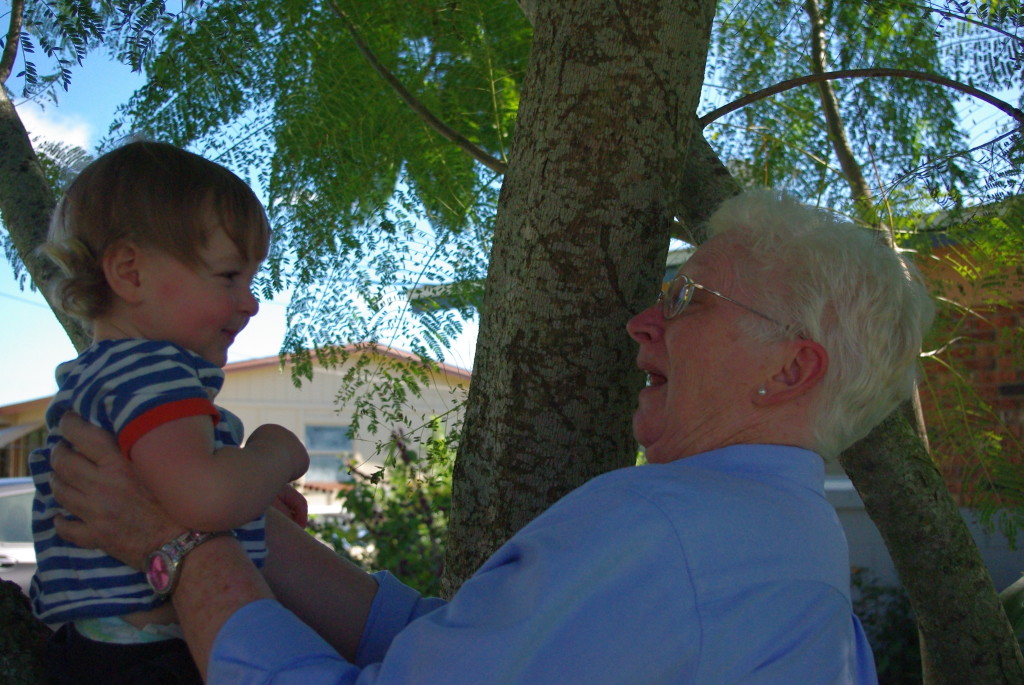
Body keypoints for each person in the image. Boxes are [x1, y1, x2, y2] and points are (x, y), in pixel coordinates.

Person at [49, 189, 935, 683]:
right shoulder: (782, 539)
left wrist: (180, 544)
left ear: (788, 370)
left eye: (688, 299)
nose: (640, 323)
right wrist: (253, 535)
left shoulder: (667, 531)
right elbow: (459, 644)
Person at [29, 141, 310, 683]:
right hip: (152, 656)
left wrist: (252, 502)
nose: (250, 302)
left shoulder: (105, 376)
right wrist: (273, 453)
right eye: (229, 276)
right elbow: (205, 498)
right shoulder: (155, 372)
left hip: (103, 650)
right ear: (130, 273)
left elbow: (169, 491)